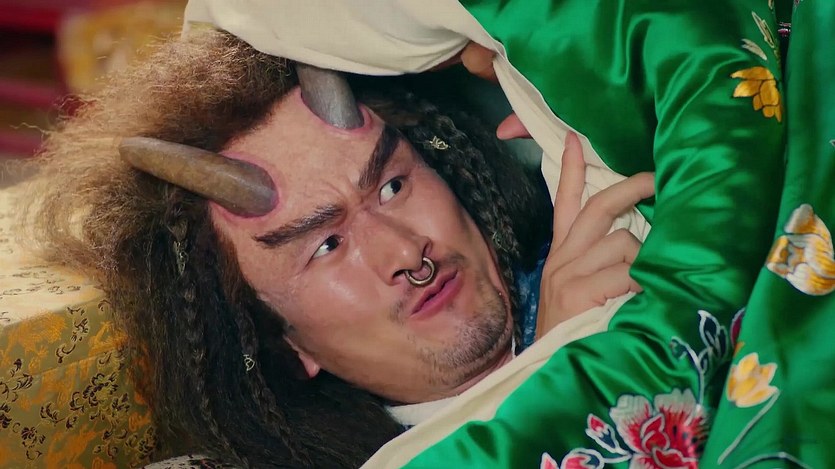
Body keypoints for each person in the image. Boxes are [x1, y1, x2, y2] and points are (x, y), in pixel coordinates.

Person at [18, 29, 651, 468]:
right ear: (280, 344)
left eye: (393, 186)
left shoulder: (619, 239)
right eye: (325, 245)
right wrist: (557, 383)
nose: (406, 255)